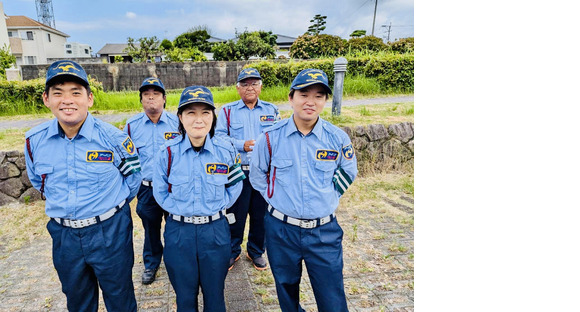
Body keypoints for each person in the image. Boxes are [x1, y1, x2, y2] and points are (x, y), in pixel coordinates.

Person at [24, 60, 141, 311]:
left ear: (89, 99)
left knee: (120, 298)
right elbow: (38, 181)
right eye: (58, 93)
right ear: (46, 99)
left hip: (110, 231)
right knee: (77, 301)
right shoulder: (34, 141)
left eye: (75, 92)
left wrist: (109, 209)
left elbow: (132, 180)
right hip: (64, 236)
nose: (67, 100)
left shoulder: (114, 138)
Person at [249, 68, 358, 312]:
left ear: (325, 101)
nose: (311, 102)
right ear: (291, 98)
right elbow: (258, 176)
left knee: (332, 298)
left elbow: (349, 170)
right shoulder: (270, 137)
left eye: (319, 96)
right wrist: (276, 197)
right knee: (286, 291)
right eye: (304, 94)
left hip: (324, 233)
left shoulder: (337, 138)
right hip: (281, 231)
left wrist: (328, 195)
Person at [153, 85, 244, 311]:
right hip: (179, 233)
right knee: (185, 298)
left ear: (213, 117)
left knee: (215, 297)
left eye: (205, 112)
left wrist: (216, 208)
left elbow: (235, 185)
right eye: (191, 112)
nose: (199, 119)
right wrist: (181, 210)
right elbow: (160, 192)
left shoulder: (226, 151)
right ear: (181, 118)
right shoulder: (167, 152)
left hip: (215, 232)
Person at [216, 68, 280, 271]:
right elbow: (218, 137)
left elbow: (278, 138)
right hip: (238, 172)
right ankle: (232, 251)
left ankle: (255, 251)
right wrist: (240, 144)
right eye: (245, 84)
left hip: (263, 173)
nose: (249, 87)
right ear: (237, 88)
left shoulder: (271, 110)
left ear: (260, 86)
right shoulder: (227, 111)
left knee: (261, 215)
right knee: (235, 214)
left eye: (254, 83)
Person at [123, 77, 179, 285]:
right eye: (146, 95)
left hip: (173, 188)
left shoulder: (177, 122)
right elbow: (125, 157)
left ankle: (176, 262)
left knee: (175, 227)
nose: (151, 98)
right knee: (151, 227)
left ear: (164, 99)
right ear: (141, 100)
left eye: (156, 94)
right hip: (146, 189)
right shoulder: (131, 126)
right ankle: (151, 263)